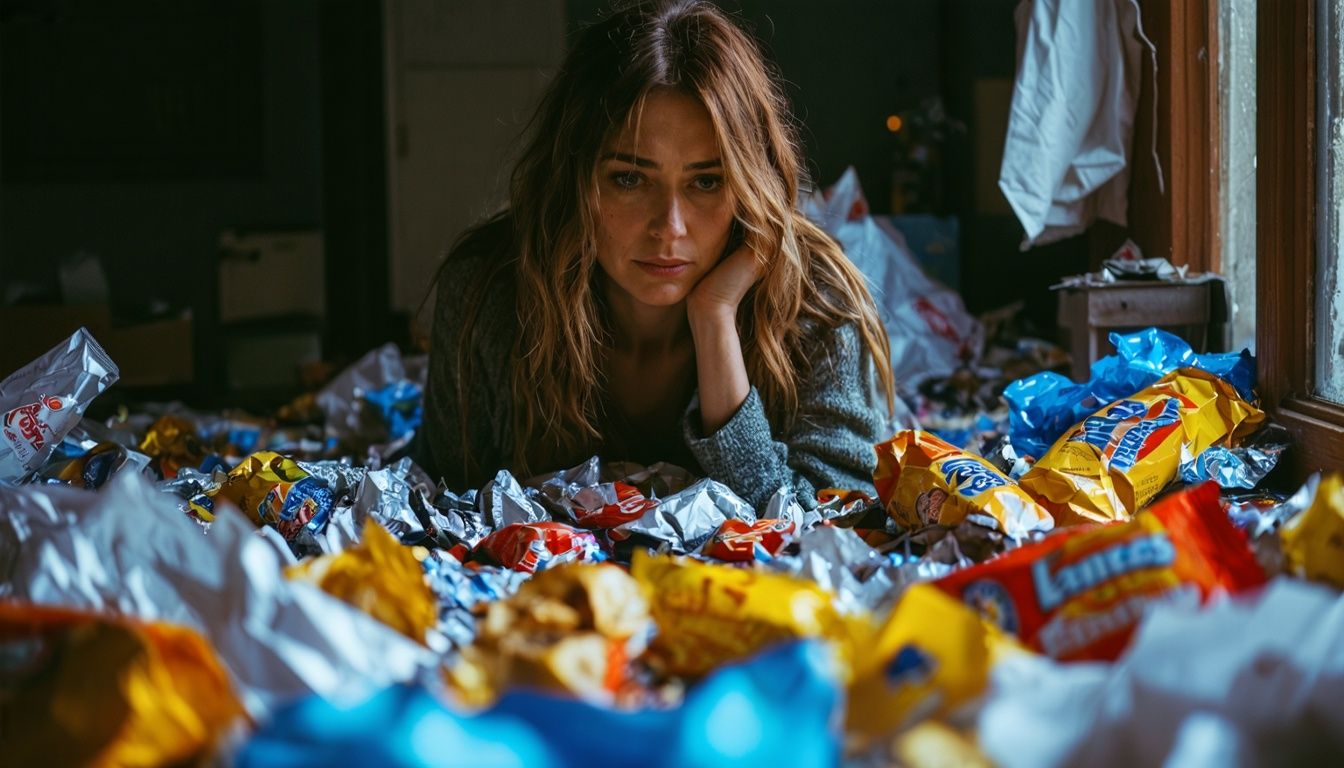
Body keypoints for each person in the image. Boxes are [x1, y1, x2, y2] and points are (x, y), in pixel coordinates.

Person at [416, 0, 895, 509]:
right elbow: (446, 505)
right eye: (629, 178)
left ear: (751, 186)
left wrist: (715, 320)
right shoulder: (488, 291)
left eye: (707, 182)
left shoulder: (817, 302)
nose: (669, 228)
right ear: (574, 180)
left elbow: (839, 524)